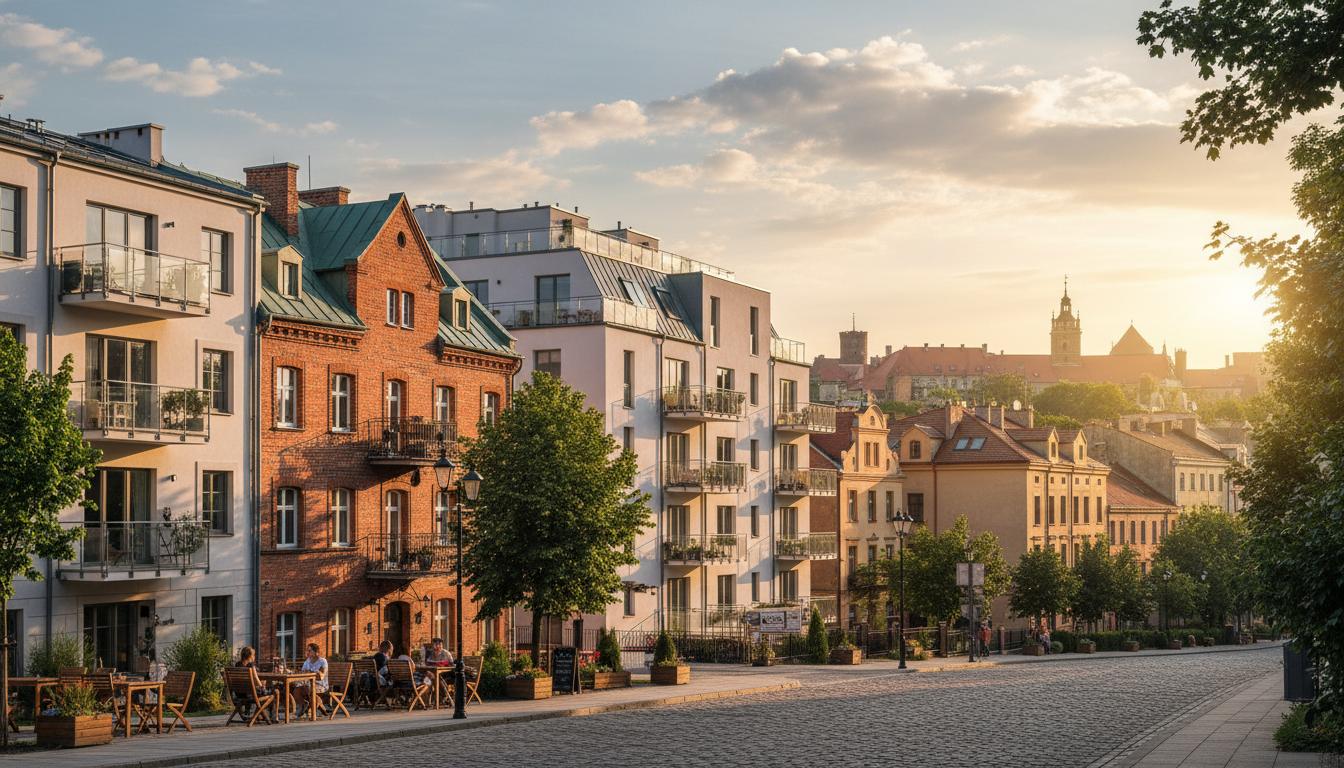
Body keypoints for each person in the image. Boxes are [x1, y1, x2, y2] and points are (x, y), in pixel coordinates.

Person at [293, 643, 328, 717]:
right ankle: (304, 704)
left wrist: (311, 672)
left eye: (309, 651)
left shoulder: (322, 661)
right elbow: (302, 673)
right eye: (307, 651)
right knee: (296, 690)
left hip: (321, 685)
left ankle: (316, 706)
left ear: (316, 652)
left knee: (309, 689)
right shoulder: (307, 661)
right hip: (308, 684)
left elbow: (322, 675)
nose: (307, 652)